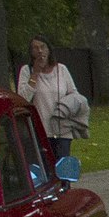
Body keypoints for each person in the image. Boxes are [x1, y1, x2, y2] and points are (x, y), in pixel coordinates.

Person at [16, 38, 88, 166]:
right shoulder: (27, 70)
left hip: (62, 128)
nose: (40, 51)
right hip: (40, 129)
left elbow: (74, 94)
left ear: (48, 49)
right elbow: (22, 99)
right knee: (45, 166)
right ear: (31, 52)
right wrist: (35, 74)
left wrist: (65, 109)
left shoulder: (61, 69)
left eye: (42, 47)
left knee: (62, 167)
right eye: (35, 48)